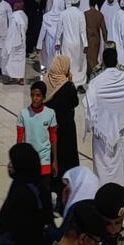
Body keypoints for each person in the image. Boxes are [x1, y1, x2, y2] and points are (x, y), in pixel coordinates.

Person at [84, 44, 124, 186]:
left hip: (100, 129)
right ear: (116, 61)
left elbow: (89, 103)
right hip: (120, 128)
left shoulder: (96, 80)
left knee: (102, 163)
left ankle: (102, 188)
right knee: (117, 161)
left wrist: (90, 123)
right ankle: (118, 186)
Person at [17, 79, 58, 190]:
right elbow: (19, 139)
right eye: (32, 95)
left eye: (38, 95)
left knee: (44, 191)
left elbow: (53, 138)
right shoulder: (23, 114)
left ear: (44, 97)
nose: (35, 98)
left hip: (45, 158)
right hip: (29, 160)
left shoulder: (50, 113)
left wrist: (55, 161)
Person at [45, 55, 80, 185]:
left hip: (51, 129)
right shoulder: (67, 87)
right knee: (66, 159)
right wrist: (70, 82)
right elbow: (74, 102)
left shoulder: (47, 81)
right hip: (66, 130)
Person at [57, 0, 88, 88]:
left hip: (66, 43)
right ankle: (78, 83)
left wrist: (57, 42)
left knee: (68, 63)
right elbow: (83, 30)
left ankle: (69, 82)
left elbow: (59, 30)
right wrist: (85, 44)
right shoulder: (80, 13)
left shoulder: (63, 13)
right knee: (78, 64)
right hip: (77, 43)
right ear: (78, 3)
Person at [3, 0, 28, 84]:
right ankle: (18, 78)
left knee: (12, 60)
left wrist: (18, 40)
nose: (14, 6)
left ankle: (14, 77)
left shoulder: (17, 15)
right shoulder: (23, 15)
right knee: (19, 61)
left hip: (16, 42)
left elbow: (17, 29)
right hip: (20, 41)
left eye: (15, 5)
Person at [85, 0, 107, 76]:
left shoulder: (85, 14)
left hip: (88, 37)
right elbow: (104, 30)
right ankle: (93, 74)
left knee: (89, 58)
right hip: (97, 38)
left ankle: (93, 74)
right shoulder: (99, 15)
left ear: (89, 3)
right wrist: (105, 40)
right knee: (94, 56)